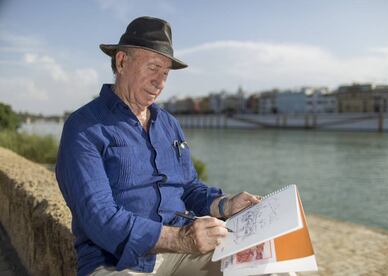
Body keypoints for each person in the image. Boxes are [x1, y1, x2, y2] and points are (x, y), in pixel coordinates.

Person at [55, 16, 260, 276]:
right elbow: (100, 219)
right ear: (121, 61)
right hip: (116, 262)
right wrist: (181, 238)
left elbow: (188, 187)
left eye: (165, 73)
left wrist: (225, 205)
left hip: (182, 253)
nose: (160, 82)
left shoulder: (169, 123)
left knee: (267, 266)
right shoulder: (84, 127)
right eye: (153, 68)